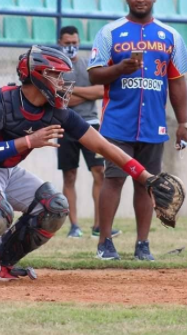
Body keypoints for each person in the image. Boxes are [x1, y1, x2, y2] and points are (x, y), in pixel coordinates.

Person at [0, 45, 181, 287]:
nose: (63, 82)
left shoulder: (57, 111)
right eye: (57, 75)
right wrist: (29, 141)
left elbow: (103, 146)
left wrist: (146, 178)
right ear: (38, 76)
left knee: (54, 206)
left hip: (5, 170)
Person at [88, 0, 187, 261]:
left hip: (153, 125)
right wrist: (120, 69)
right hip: (117, 123)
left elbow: (177, 82)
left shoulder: (171, 36)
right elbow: (95, 74)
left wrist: (184, 123)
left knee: (148, 183)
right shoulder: (110, 32)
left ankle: (142, 245)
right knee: (113, 179)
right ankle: (105, 243)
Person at [56, 26, 121, 239]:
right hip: (64, 125)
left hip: (91, 124)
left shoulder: (88, 65)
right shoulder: (56, 68)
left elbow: (101, 91)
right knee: (69, 175)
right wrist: (86, 94)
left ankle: (98, 225)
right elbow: (59, 99)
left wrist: (70, 90)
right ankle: (74, 225)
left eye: (74, 42)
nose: (71, 47)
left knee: (99, 172)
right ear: (59, 43)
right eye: (67, 43)